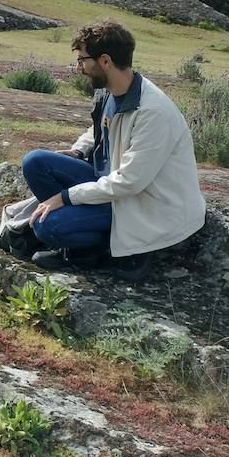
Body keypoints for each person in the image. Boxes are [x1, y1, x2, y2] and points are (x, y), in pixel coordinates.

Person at [19, 20, 206, 281]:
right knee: (35, 162)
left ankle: (114, 250)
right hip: (113, 187)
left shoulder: (153, 113)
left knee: (46, 225)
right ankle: (84, 237)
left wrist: (65, 197)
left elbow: (130, 183)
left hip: (145, 204)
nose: (79, 68)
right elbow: (100, 128)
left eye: (82, 60)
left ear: (105, 60)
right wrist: (78, 151)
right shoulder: (113, 91)